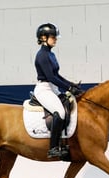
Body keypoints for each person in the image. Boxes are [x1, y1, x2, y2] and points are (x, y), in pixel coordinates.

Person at [34, 23, 83, 158]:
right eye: (53, 37)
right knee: (60, 112)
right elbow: (50, 77)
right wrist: (68, 88)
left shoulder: (51, 54)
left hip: (52, 88)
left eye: (55, 37)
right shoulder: (42, 55)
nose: (55, 39)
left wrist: (72, 85)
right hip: (44, 89)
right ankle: (53, 148)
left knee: (69, 105)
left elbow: (57, 76)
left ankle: (65, 142)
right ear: (43, 38)